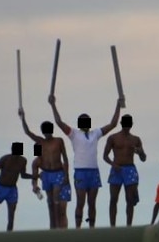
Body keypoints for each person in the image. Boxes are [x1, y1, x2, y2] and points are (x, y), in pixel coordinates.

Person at [49, 95, 122, 228]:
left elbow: (113, 124)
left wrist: (118, 105)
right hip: (81, 172)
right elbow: (59, 122)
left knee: (92, 203)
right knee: (80, 202)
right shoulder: (74, 134)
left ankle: (91, 229)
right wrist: (53, 104)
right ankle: (78, 229)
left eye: (87, 120)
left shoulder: (96, 133)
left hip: (93, 172)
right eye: (82, 121)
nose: (85, 123)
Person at [18, 110, 70, 228]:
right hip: (47, 174)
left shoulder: (59, 141)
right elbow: (27, 132)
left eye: (48, 132)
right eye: (45, 132)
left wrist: (66, 175)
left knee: (57, 202)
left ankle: (59, 228)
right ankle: (52, 228)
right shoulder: (40, 144)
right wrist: (23, 118)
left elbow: (65, 159)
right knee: (50, 203)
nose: (47, 134)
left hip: (58, 173)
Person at [103, 114, 147, 226]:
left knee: (130, 200)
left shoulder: (136, 139)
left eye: (129, 124)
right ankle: (112, 226)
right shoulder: (113, 138)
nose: (127, 126)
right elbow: (105, 156)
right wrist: (113, 164)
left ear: (131, 124)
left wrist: (140, 152)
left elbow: (143, 158)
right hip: (117, 169)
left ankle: (129, 225)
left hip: (130, 169)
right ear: (122, 124)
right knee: (113, 199)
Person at [0, 142, 32, 232]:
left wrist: (35, 176)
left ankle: (9, 234)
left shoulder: (23, 161)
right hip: (0, 188)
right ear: (12, 150)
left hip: (12, 190)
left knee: (11, 215)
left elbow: (23, 175)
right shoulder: (5, 159)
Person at [31, 144, 72, 229]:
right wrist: (35, 186)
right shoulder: (36, 162)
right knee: (51, 208)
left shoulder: (52, 159)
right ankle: (53, 231)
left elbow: (64, 166)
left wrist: (65, 178)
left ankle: (63, 232)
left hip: (62, 180)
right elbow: (34, 177)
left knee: (62, 210)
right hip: (50, 183)